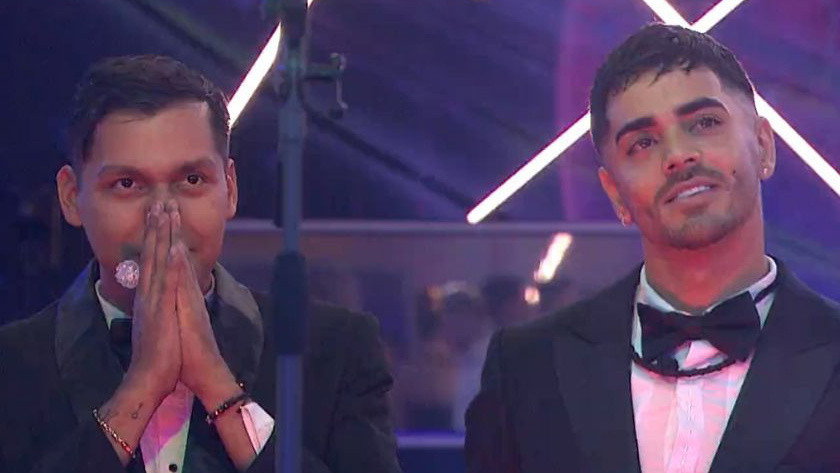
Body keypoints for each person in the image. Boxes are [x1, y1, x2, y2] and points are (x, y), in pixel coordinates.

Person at [465, 23, 840, 473]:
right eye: (643, 143)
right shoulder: (526, 368)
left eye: (704, 123)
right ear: (615, 195)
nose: (678, 155)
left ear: (763, 146)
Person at [0, 55, 402, 473]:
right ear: (71, 197)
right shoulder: (11, 366)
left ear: (230, 188)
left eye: (191, 180)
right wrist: (141, 387)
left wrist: (217, 385)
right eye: (127, 184)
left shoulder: (336, 350)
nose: (164, 214)